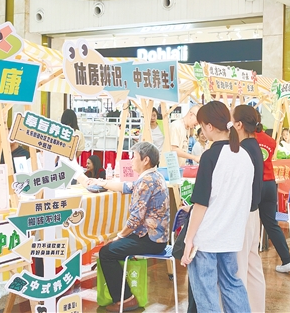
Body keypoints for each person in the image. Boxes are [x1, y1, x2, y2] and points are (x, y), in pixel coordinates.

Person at [181, 101, 253, 313]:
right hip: (231, 236)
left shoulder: (211, 156)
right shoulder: (244, 156)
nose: (202, 131)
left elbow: (201, 203)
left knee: (207, 295)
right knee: (232, 284)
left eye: (202, 126)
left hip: (207, 237)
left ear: (209, 126)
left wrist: (189, 240)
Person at [93, 142, 169, 312]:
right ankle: (124, 297)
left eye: (134, 157)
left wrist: (119, 236)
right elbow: (126, 187)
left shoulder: (146, 181)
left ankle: (126, 300)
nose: (131, 160)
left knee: (106, 252)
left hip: (150, 239)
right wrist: (101, 183)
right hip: (155, 237)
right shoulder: (153, 176)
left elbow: (135, 219)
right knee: (111, 248)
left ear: (145, 160)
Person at [232, 105, 265, 312]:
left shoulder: (242, 149)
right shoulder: (254, 146)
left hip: (243, 215)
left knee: (239, 269)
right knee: (253, 268)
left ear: (238, 124)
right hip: (253, 213)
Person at [254, 111, 290, 273]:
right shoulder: (270, 141)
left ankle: (247, 262)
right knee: (271, 223)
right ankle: (287, 260)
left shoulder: (246, 141)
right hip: (270, 183)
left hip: (254, 184)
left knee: (247, 222)